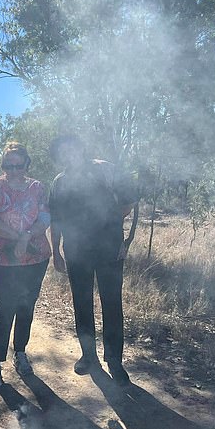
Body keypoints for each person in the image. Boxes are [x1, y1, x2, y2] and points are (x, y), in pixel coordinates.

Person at [48, 134, 137, 386]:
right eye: (63, 152)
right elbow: (56, 219)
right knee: (82, 303)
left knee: (112, 303)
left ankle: (115, 361)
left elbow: (129, 201)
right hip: (76, 251)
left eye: (72, 149)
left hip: (109, 249)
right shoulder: (60, 182)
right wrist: (55, 251)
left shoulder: (105, 169)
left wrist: (112, 231)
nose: (69, 155)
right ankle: (89, 356)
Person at [0, 142, 52, 390]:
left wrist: (26, 237)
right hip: (3, 258)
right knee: (4, 310)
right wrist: (17, 237)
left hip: (35, 257)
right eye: (7, 165)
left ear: (26, 165)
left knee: (26, 308)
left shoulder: (37, 187)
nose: (12, 170)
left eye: (18, 165)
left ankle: (20, 353)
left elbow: (45, 217)